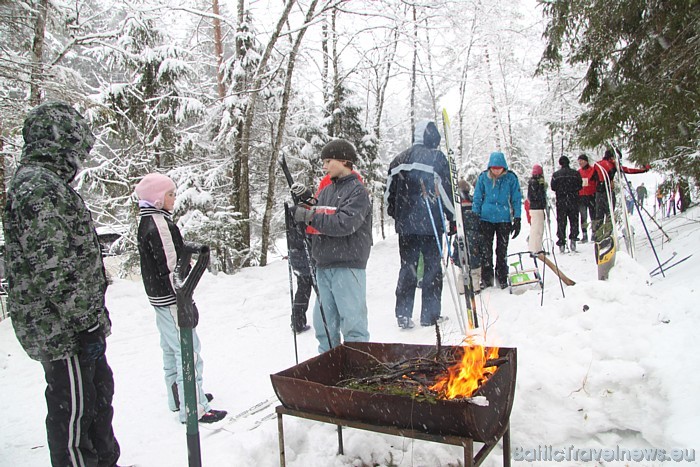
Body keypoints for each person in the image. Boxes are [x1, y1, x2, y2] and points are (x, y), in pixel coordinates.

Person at [3, 101, 121, 466]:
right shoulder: (37, 187)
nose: (80, 158)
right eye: (76, 148)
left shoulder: (49, 184)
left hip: (76, 326)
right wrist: (85, 322)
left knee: (98, 403)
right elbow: (54, 266)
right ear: (59, 143)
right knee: (74, 417)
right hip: (61, 332)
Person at [135, 173, 227, 424]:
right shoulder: (159, 224)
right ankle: (193, 406)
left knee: (170, 348)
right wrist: (184, 297)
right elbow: (171, 267)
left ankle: (181, 397)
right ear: (156, 199)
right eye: (170, 194)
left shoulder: (146, 221)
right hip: (172, 297)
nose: (174, 199)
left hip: (159, 297)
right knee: (188, 349)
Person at [290, 139, 372, 352]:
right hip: (324, 266)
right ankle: (328, 370)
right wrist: (302, 206)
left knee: (353, 325)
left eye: (328, 161)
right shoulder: (326, 191)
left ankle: (358, 369)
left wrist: (309, 216)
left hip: (348, 265)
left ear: (344, 160)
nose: (324, 166)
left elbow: (344, 224)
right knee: (324, 326)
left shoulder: (357, 192)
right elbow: (316, 221)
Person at [385, 120, 454, 328]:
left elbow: (389, 193)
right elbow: (445, 191)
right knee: (432, 268)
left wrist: (397, 213)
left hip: (406, 226)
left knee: (408, 267)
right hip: (430, 225)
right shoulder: (437, 158)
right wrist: (452, 216)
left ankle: (403, 314)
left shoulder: (398, 160)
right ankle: (429, 316)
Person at [472, 151, 522, 289]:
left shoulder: (511, 178)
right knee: (485, 250)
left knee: (502, 250)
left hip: (503, 219)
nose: (496, 171)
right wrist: (475, 217)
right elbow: (477, 198)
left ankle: (502, 276)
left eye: (498, 168)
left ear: (504, 168)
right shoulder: (483, 178)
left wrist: (517, 218)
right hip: (485, 218)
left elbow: (516, 199)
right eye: (493, 168)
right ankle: (487, 278)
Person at [591, 148, 650, 240]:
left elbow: (592, 178)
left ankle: (597, 235)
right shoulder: (614, 165)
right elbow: (628, 170)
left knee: (599, 215)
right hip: (608, 192)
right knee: (609, 214)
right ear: (612, 157)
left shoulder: (597, 164)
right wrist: (643, 170)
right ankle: (607, 235)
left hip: (599, 193)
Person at [283, 203, 312, 334]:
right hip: (306, 257)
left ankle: (297, 321)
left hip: (295, 256)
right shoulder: (302, 212)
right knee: (317, 289)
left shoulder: (290, 213)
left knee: (302, 290)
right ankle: (326, 319)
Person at [452, 179, 483, 294]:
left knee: (462, 268)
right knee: (475, 270)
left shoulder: (456, 202)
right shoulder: (472, 200)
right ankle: (476, 287)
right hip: (473, 234)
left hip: (461, 232)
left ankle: (461, 289)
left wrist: (455, 258)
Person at [551, 156, 583, 252]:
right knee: (574, 220)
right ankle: (573, 239)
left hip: (561, 201)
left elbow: (553, 187)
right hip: (573, 200)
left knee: (561, 222)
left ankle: (561, 242)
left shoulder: (556, 175)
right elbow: (580, 186)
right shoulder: (575, 173)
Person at [527, 164, 547, 254]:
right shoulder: (536, 183)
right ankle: (536, 249)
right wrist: (542, 187)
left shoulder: (531, 182)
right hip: (537, 208)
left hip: (534, 207)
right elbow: (537, 195)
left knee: (535, 228)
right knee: (538, 229)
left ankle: (534, 247)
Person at [577, 154, 597, 242]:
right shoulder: (578, 172)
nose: (580, 162)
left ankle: (594, 233)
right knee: (583, 216)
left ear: (586, 161)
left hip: (591, 195)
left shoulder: (592, 170)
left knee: (593, 215)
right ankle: (584, 235)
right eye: (579, 161)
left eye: (581, 161)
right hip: (581, 196)